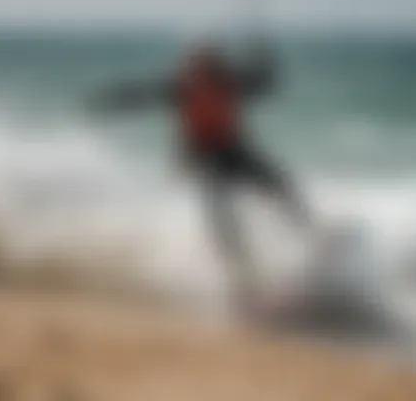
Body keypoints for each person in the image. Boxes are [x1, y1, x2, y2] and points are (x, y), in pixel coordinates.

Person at [86, 40, 315, 302]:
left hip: (232, 150)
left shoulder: (230, 83)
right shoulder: (181, 89)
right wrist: (106, 103)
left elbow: (265, 83)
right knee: (222, 214)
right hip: (203, 157)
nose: (204, 72)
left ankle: (310, 235)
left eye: (210, 66)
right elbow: (138, 97)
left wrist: (266, 59)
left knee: (279, 182)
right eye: (199, 66)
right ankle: (243, 277)